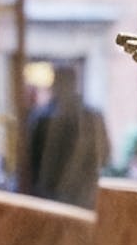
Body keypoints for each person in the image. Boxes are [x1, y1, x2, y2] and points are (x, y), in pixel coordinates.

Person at [24, 65, 109, 209]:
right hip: (65, 199)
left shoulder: (42, 117)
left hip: (72, 199)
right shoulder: (43, 118)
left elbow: (104, 154)